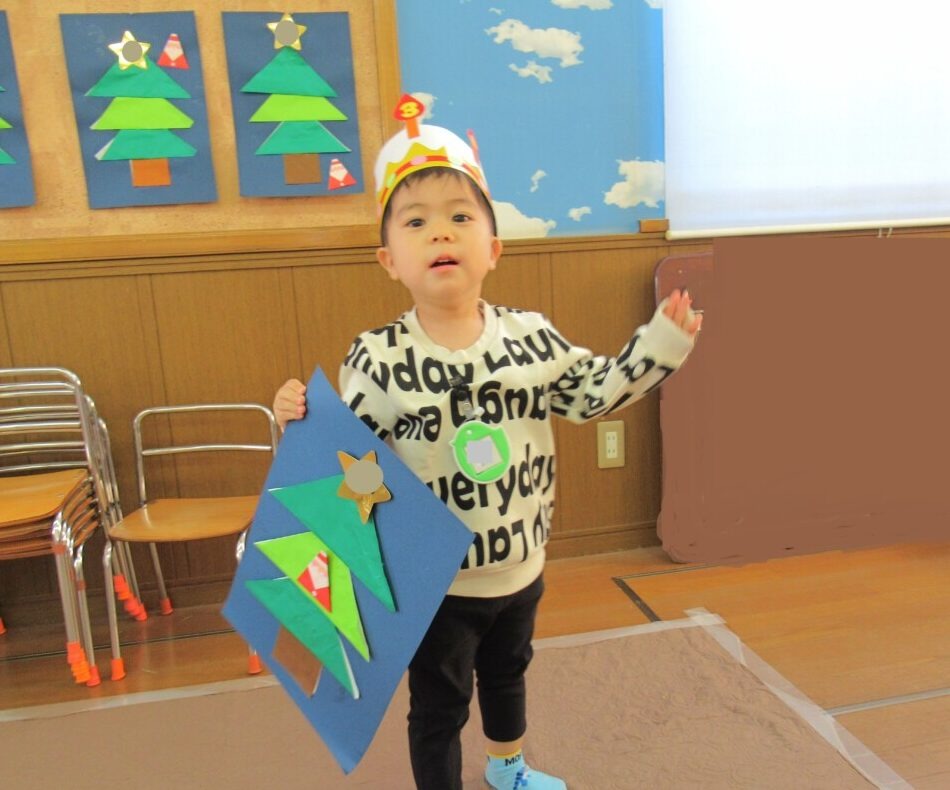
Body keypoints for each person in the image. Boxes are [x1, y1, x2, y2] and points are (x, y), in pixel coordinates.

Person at [273, 118, 701, 790]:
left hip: (521, 563)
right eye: (416, 222)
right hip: (435, 581)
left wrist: (660, 345)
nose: (440, 234)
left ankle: (508, 768)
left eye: (459, 217)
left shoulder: (531, 338)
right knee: (439, 705)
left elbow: (592, 394)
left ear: (493, 248)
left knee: (508, 674)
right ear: (389, 260)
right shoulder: (380, 357)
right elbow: (340, 460)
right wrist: (296, 419)